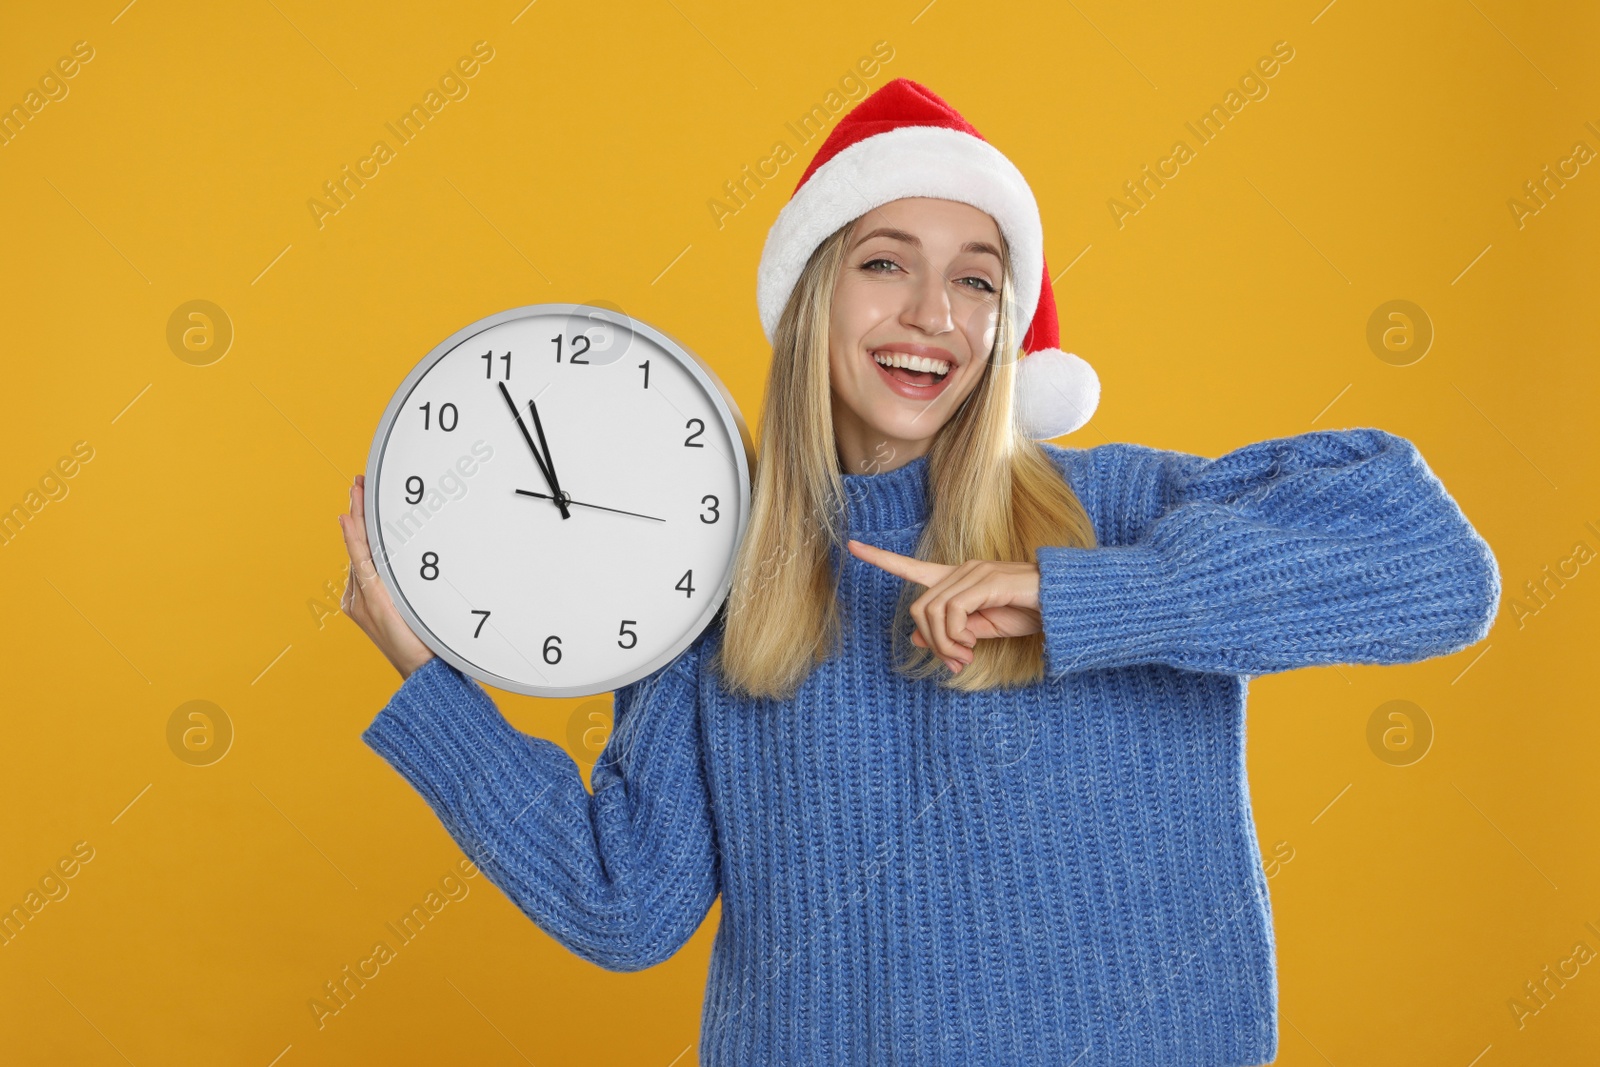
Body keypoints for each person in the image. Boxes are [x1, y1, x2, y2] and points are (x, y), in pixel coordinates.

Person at [336, 79, 1500, 1066]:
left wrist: (1077, 594)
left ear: (1007, 322)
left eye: (977, 279)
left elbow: (1436, 565)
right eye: (884, 263)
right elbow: (625, 903)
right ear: (811, 297)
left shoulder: (1119, 507)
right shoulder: (721, 579)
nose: (930, 315)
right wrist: (427, 679)